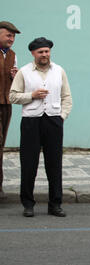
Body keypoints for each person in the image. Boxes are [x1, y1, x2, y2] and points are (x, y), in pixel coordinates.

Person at [9, 37, 73, 217]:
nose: (44, 55)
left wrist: (62, 116)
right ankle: (28, 204)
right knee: (29, 164)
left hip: (53, 121)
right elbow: (13, 96)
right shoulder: (24, 72)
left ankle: (55, 204)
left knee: (54, 164)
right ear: (33, 54)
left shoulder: (59, 71)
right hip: (31, 121)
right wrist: (32, 95)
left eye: (47, 51)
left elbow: (66, 97)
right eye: (40, 52)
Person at [0, 21, 20, 200]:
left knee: (1, 146)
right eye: (8, 35)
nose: (11, 39)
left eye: (13, 36)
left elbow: (15, 84)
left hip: (6, 105)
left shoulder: (12, 55)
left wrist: (15, 77)